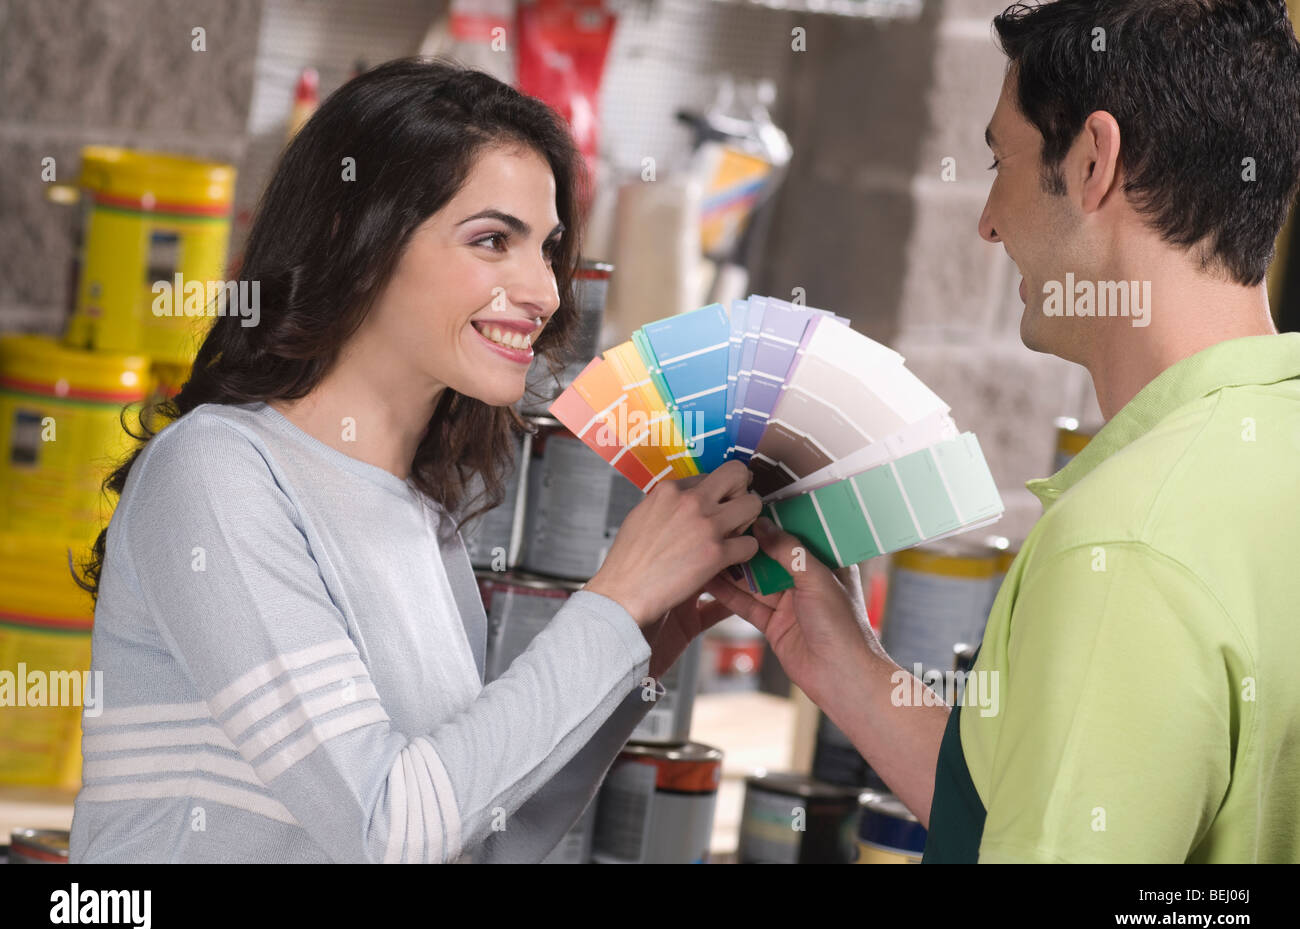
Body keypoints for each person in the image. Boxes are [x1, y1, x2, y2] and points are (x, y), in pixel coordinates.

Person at [69, 58, 762, 863]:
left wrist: (647, 632)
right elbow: (386, 827)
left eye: (549, 249)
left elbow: (485, 838)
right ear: (354, 235)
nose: (541, 290)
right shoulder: (217, 474)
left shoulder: (419, 516)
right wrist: (613, 601)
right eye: (493, 239)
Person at [707, 0, 1300, 863]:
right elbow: (1060, 807)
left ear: (1094, 161)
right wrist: (854, 673)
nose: (987, 220)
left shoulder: (1127, 546)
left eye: (1002, 159)